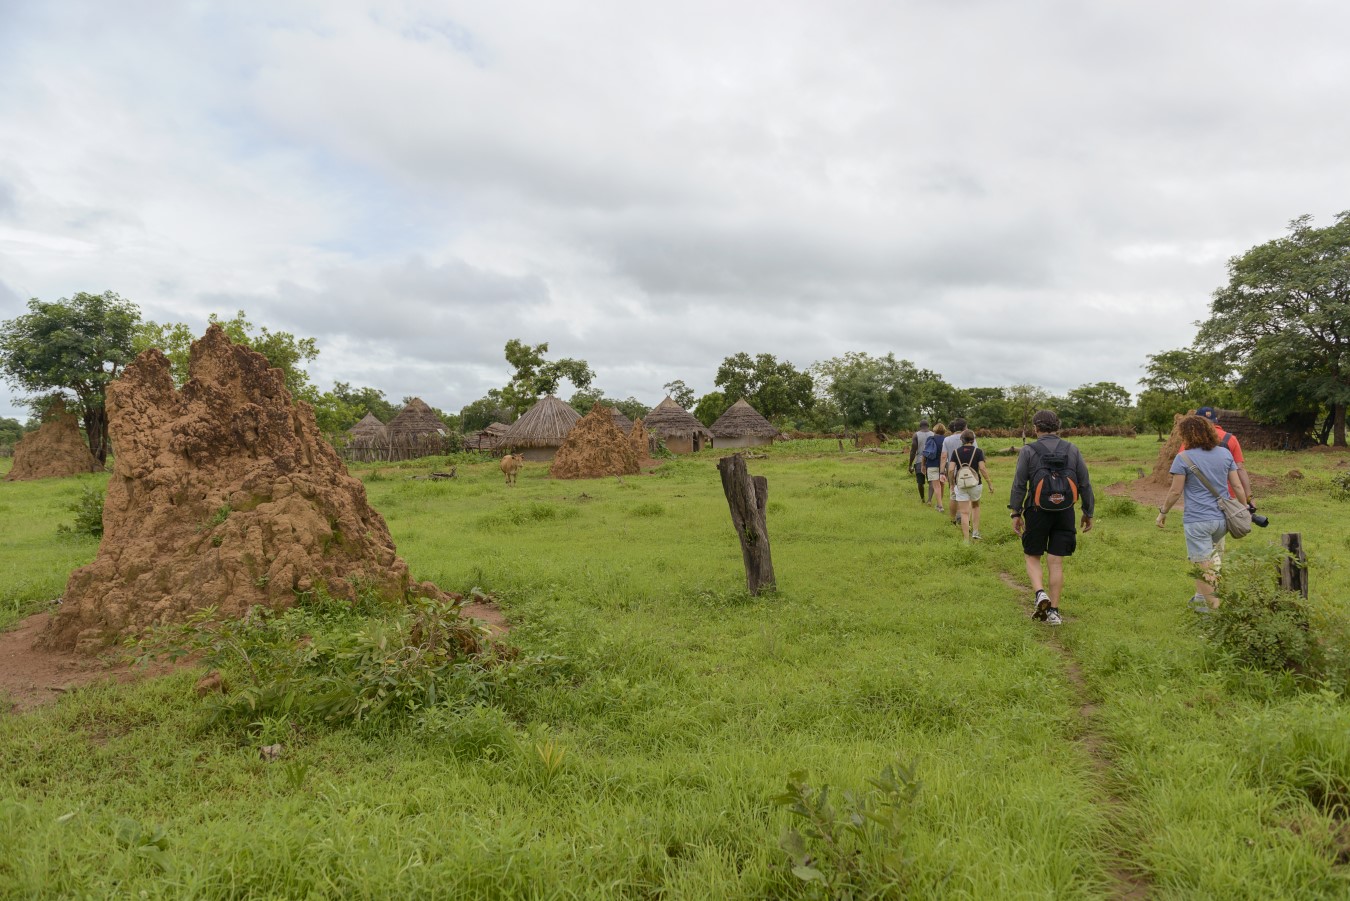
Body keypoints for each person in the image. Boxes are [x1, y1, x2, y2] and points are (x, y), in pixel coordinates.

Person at [1009, 410, 1094, 626]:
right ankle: (1054, 612)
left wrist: (1016, 512)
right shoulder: (1072, 449)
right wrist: (1088, 512)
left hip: (1036, 511)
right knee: (1056, 562)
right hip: (1065, 511)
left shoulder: (1028, 450)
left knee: (1032, 555)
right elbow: (1084, 483)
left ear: (1035, 428)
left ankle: (1040, 593)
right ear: (1058, 427)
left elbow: (1019, 483)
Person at [1155, 414, 1247, 612]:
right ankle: (1199, 604)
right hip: (1222, 521)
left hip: (1197, 521)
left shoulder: (1183, 458)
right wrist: (1244, 509)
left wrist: (1163, 512)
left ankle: (1214, 612)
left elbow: (1175, 491)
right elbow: (1237, 486)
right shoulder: (1225, 454)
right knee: (1209, 564)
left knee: (1203, 569)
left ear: (1186, 435)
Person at [1194, 406, 1253, 506]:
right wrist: (1249, 497)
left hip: (1199, 497)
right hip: (1227, 496)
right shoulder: (1231, 439)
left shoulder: (1190, 440)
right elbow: (1240, 468)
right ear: (1215, 420)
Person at [947, 429, 993, 543]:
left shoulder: (956, 452)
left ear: (961, 440)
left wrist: (952, 483)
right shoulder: (978, 451)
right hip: (975, 484)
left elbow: (951, 469)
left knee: (964, 512)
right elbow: (982, 468)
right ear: (973, 440)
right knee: (975, 506)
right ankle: (975, 532)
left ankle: (966, 540)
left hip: (960, 484)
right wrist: (989, 483)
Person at [939, 418, 973, 527]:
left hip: (952, 471)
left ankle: (953, 519)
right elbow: (974, 452)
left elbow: (944, 456)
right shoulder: (970, 436)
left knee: (953, 495)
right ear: (965, 427)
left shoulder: (947, 440)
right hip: (968, 471)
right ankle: (964, 519)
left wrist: (941, 472)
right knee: (967, 495)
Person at [908, 420, 935, 503]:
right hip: (931, 460)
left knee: (920, 482)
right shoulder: (933, 434)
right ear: (928, 426)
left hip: (919, 461)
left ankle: (922, 499)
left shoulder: (916, 435)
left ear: (920, 426)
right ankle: (929, 500)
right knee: (931, 481)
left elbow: (913, 451)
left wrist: (910, 465)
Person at [924, 423, 948, 512]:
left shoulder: (930, 439)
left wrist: (923, 465)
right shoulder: (946, 439)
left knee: (936, 486)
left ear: (934, 430)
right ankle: (939, 503)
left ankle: (940, 506)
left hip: (932, 464)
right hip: (943, 465)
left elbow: (925, 453)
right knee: (942, 484)